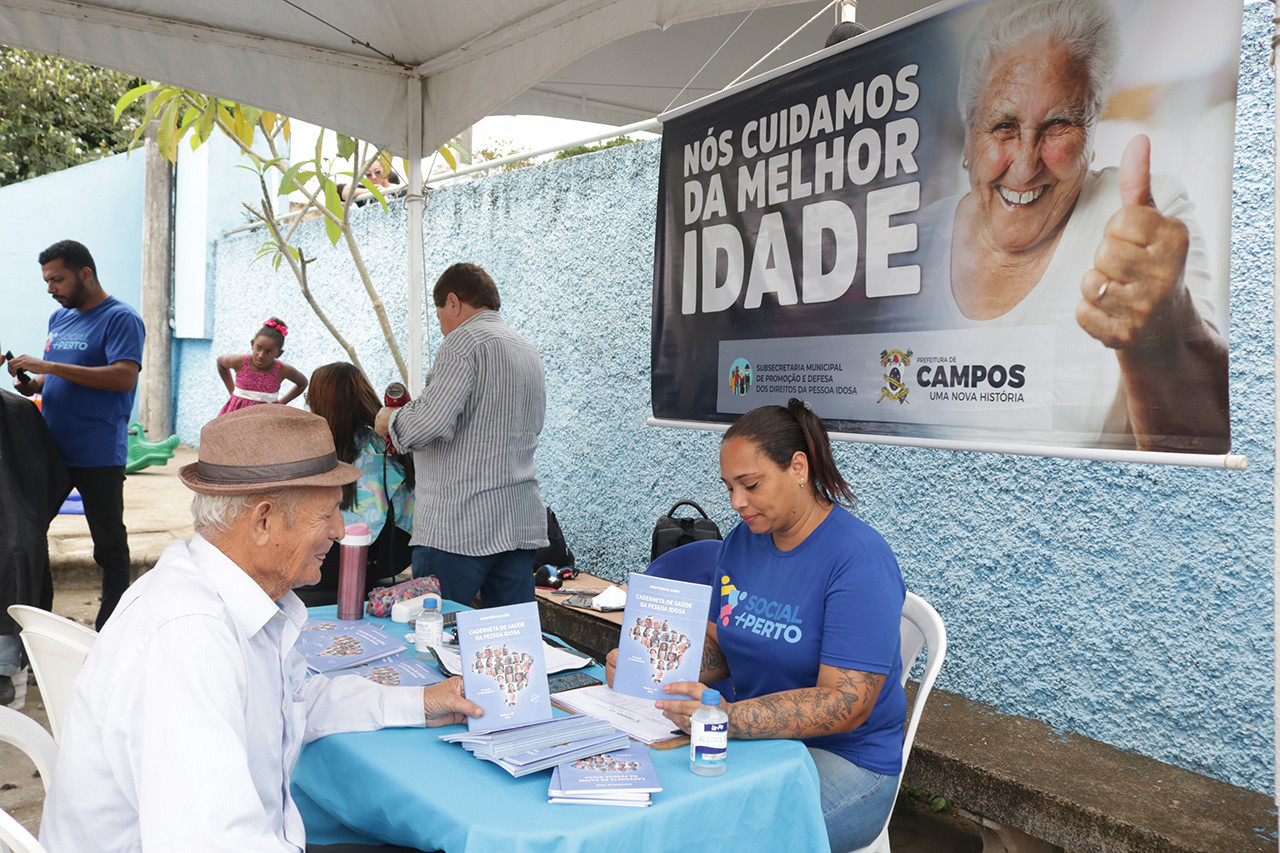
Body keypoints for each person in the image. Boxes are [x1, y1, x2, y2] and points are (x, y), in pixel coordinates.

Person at [40, 404, 483, 853]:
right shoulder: (190, 636)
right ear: (264, 520)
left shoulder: (235, 594)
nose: (338, 529)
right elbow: (214, 844)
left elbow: (289, 700)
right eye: (326, 513)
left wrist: (420, 702)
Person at [921, 0, 1228, 452]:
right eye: (1003, 126)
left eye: (1059, 124)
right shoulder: (915, 240)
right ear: (969, 138)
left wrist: (1164, 328)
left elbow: (1207, 444)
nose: (1025, 167)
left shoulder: (1145, 222)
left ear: (1092, 130)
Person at [606, 399, 905, 852]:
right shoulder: (744, 542)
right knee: (650, 810)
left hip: (846, 762)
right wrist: (649, 665)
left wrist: (730, 718)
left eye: (750, 484)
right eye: (729, 487)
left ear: (798, 469)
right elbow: (724, 649)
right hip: (751, 741)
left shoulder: (858, 561)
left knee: (710, 835)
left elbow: (847, 703)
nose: (736, 503)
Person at [375, 263, 548, 608]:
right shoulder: (528, 349)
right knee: (509, 644)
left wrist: (390, 419)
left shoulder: (462, 342)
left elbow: (428, 424)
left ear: (453, 302)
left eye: (440, 318)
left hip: (459, 525)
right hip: (519, 519)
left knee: (431, 639)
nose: (442, 330)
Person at [7, 239, 145, 630]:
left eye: (58, 279)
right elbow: (62, 371)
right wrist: (36, 383)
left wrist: (48, 365)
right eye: (47, 281)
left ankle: (109, 631)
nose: (51, 288)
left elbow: (123, 376)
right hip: (50, 448)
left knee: (110, 548)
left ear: (85, 273)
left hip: (98, 452)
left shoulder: (120, 318)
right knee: (27, 536)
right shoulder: (60, 319)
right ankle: (40, 626)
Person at [298, 361, 415, 606]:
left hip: (332, 563)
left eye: (310, 396)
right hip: (394, 557)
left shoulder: (310, 449)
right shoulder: (387, 442)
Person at [0, 383, 70, 705]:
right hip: (18, 533)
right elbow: (54, 478)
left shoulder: (19, 411)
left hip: (15, 534)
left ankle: (8, 675)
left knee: (17, 550)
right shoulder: (21, 411)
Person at [217, 317, 307, 415]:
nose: (261, 355)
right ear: (253, 344)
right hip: (237, 415)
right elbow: (220, 363)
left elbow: (303, 383)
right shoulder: (240, 362)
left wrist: (281, 403)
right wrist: (232, 390)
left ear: (279, 353)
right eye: (258, 348)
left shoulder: (282, 369)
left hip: (266, 417)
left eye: (269, 352)